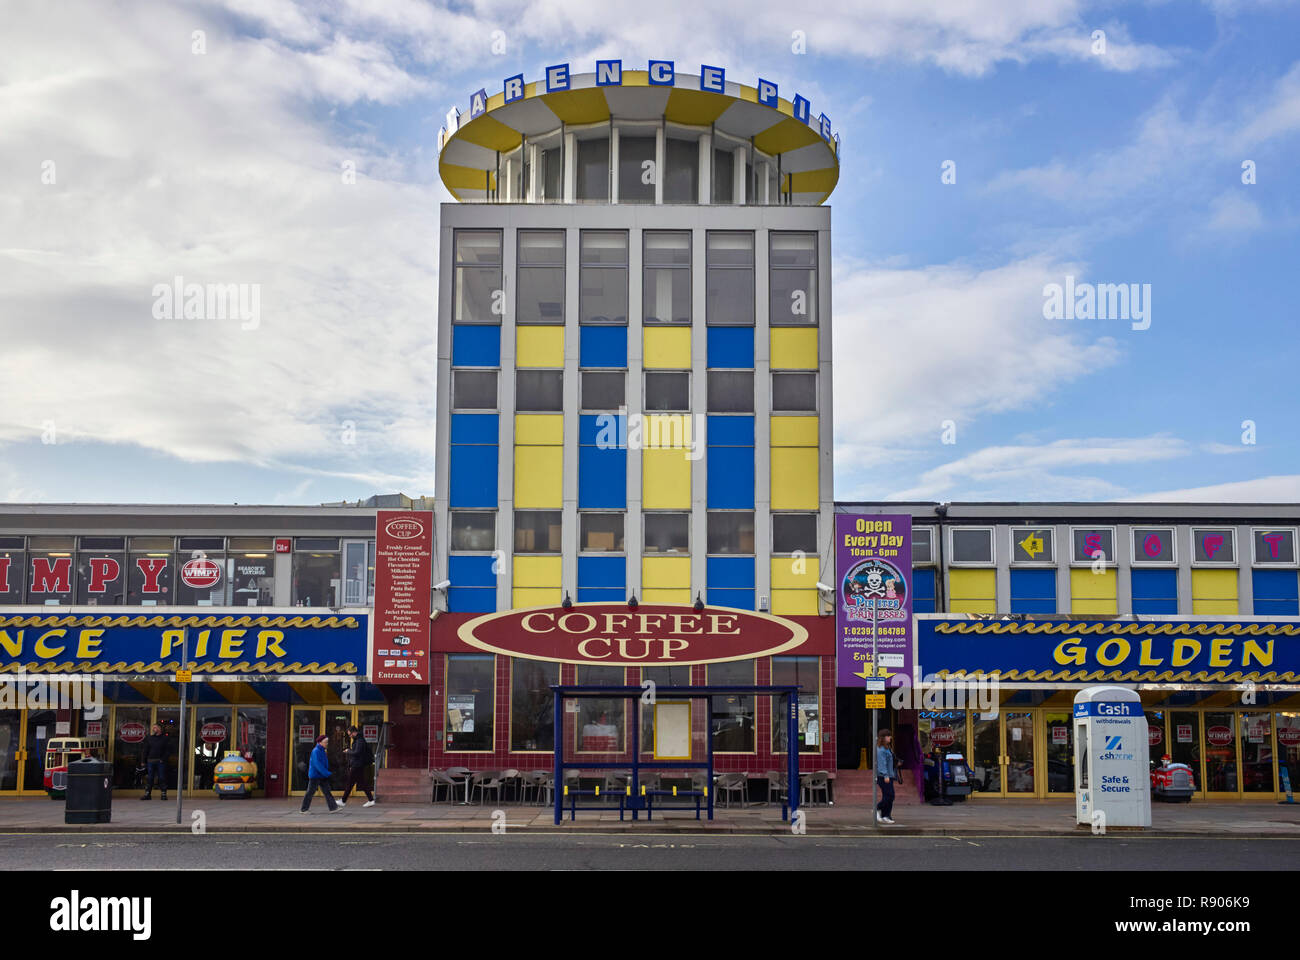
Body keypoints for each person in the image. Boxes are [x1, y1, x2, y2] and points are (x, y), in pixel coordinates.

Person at [300, 734, 341, 813]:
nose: (327, 744)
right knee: (310, 792)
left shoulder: (322, 750)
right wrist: (327, 773)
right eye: (325, 742)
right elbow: (317, 765)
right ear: (320, 742)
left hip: (321, 775)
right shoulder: (316, 751)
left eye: (327, 742)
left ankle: (333, 808)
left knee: (327, 791)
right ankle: (304, 809)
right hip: (315, 776)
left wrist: (326, 773)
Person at [340, 725, 376, 807]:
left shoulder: (360, 741)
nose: (350, 736)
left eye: (350, 734)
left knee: (350, 783)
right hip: (357, 764)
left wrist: (348, 751)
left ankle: (343, 801)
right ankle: (371, 800)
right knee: (361, 783)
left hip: (357, 765)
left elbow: (357, 753)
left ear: (354, 732)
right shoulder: (358, 740)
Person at [876, 730, 901, 824]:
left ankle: (886, 815)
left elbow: (890, 760)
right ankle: (877, 808)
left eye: (890, 736)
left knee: (889, 796)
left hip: (890, 774)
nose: (890, 737)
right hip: (883, 776)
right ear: (883, 737)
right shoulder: (880, 749)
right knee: (890, 795)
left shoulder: (887, 748)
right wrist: (886, 775)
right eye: (888, 736)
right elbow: (882, 764)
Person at [140, 724, 169, 800]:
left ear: (159, 729)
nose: (153, 729)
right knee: (150, 778)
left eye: (155, 727)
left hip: (160, 761)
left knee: (161, 777)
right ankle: (148, 794)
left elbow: (167, 751)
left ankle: (163, 794)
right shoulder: (149, 738)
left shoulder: (164, 738)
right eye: (153, 728)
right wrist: (143, 761)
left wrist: (163, 759)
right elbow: (145, 750)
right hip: (150, 761)